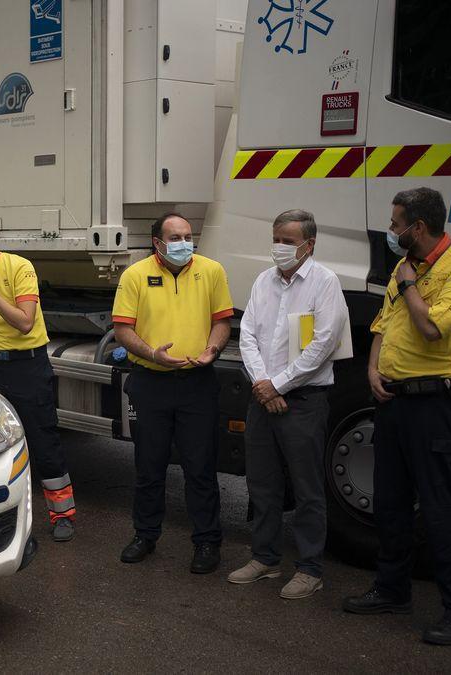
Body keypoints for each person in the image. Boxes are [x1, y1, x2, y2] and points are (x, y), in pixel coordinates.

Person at [342, 187, 451, 646]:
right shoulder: (408, 268)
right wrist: (371, 369)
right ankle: (392, 590)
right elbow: (384, 325)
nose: (391, 231)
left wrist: (408, 283)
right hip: (394, 405)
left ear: (418, 228)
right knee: (390, 504)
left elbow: (429, 328)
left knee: (443, 512)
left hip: (435, 407)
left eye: (395, 223)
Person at [231, 209, 348, 599]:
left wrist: (277, 384)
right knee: (262, 483)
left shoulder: (324, 282)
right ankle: (265, 558)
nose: (279, 247)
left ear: (308, 245)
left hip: (304, 401)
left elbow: (323, 343)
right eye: (276, 238)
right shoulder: (264, 281)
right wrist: (263, 384)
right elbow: (247, 333)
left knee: (307, 488)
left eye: (288, 241)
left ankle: (310, 568)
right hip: (263, 397)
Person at [111, 212, 233, 572]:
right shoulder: (135, 275)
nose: (183, 242)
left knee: (200, 467)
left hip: (197, 382)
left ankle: (207, 542)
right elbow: (122, 329)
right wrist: (152, 354)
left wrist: (213, 349)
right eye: (175, 237)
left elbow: (221, 321)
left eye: (187, 235)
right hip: (151, 383)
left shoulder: (212, 271)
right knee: (149, 465)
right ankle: (145, 535)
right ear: (158, 243)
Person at [0, 213, 77, 542]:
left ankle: (62, 514)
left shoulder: (19, 268)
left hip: (28, 366)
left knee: (42, 439)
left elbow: (25, 322)